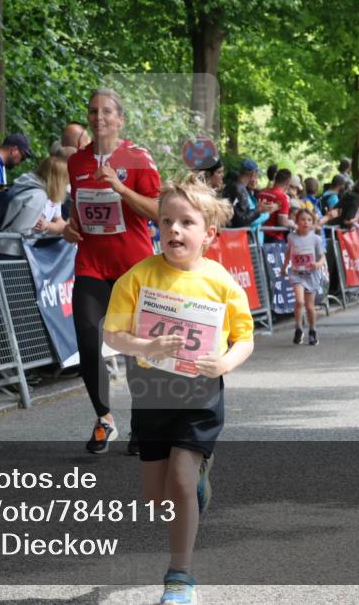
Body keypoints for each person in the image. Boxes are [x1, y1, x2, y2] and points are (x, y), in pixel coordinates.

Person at [103, 175, 253, 605]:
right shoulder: (137, 277)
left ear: (208, 234)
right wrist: (145, 345)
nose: (173, 230)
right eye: (166, 221)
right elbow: (113, 334)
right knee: (156, 497)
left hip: (200, 395)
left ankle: (180, 576)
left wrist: (224, 362)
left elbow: (245, 337)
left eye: (186, 222)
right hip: (151, 393)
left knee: (180, 480)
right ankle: (197, 484)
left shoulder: (221, 282)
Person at [62, 88, 162, 454]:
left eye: (106, 111)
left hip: (132, 266)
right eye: (92, 111)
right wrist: (70, 227)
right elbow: (78, 210)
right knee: (88, 341)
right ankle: (104, 419)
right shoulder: (76, 162)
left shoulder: (138, 158)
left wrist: (120, 187)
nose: (98, 117)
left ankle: (142, 425)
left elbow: (157, 211)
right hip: (91, 262)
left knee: (136, 349)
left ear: (120, 119)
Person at [0, 148, 71, 257]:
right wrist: (44, 229)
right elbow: (21, 230)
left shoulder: (30, 186)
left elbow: (59, 223)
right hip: (10, 251)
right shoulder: (38, 197)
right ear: (58, 180)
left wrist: (46, 226)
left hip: (6, 247)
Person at [282, 208, 326, 345]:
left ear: (312, 222)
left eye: (309, 220)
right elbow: (289, 252)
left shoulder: (316, 239)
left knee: (309, 306)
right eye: (302, 219)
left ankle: (312, 330)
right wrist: (284, 267)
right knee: (299, 301)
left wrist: (318, 264)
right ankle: (298, 328)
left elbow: (322, 257)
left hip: (311, 275)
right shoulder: (291, 237)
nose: (305, 222)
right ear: (297, 222)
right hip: (297, 274)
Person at [220, 159, 278, 229]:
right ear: (253, 173)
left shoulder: (233, 185)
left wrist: (258, 208)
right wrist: (259, 210)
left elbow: (239, 214)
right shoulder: (239, 189)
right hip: (235, 235)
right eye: (256, 173)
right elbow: (243, 219)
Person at [257, 168, 293, 242]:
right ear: (288, 182)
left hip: (259, 234)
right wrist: (293, 224)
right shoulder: (282, 197)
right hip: (274, 237)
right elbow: (282, 222)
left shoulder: (262, 192)